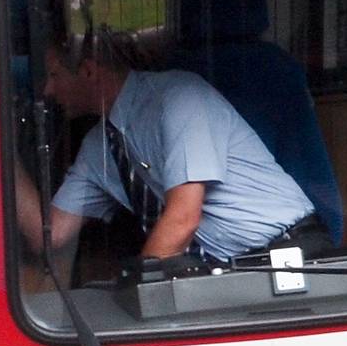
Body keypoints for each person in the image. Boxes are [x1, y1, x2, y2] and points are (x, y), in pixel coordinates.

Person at [32, 37, 319, 269]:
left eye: (54, 75)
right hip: (229, 270)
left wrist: (138, 288)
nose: (48, 90)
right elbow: (51, 234)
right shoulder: (100, 145)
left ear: (88, 71)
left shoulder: (179, 98)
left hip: (288, 254)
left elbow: (183, 219)